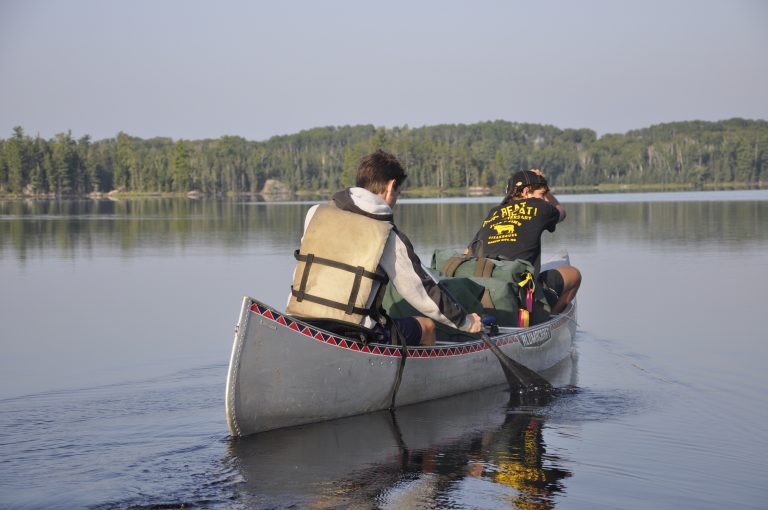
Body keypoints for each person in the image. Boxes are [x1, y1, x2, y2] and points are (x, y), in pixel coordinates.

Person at [287, 149, 483, 346]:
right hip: (354, 331)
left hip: (301, 322)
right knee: (427, 327)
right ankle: (421, 378)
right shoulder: (386, 235)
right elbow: (421, 290)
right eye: (398, 192)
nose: (397, 199)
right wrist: (466, 322)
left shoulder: (315, 213)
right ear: (390, 186)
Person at [466, 169, 581, 314]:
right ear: (526, 192)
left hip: (486, 287)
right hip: (520, 291)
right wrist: (548, 193)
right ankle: (547, 318)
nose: (543, 198)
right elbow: (561, 211)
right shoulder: (540, 207)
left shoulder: (494, 212)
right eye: (542, 194)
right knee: (574, 274)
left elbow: (468, 251)